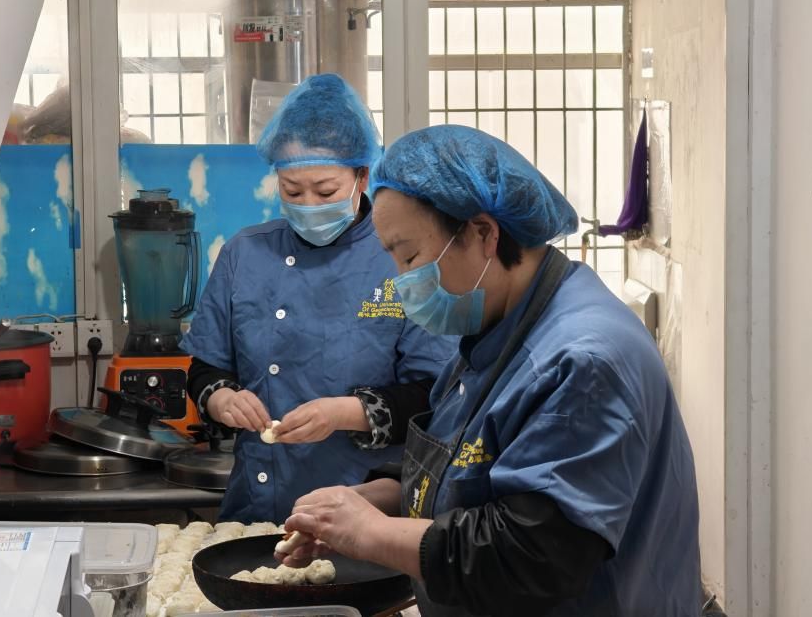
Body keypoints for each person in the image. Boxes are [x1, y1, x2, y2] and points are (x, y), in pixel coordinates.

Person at [278, 124, 702, 616]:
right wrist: (377, 499)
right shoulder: (497, 331)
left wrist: (370, 533)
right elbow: (468, 467)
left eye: (410, 257)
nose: (402, 282)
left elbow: (532, 556)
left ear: (483, 233)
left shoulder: (584, 361)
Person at [179, 75, 456, 524]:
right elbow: (205, 367)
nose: (309, 204)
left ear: (362, 176)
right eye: (292, 190)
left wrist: (346, 413)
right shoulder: (244, 254)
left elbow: (436, 395)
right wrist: (220, 398)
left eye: (325, 191)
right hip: (258, 503)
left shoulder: (402, 257)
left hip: (367, 508)